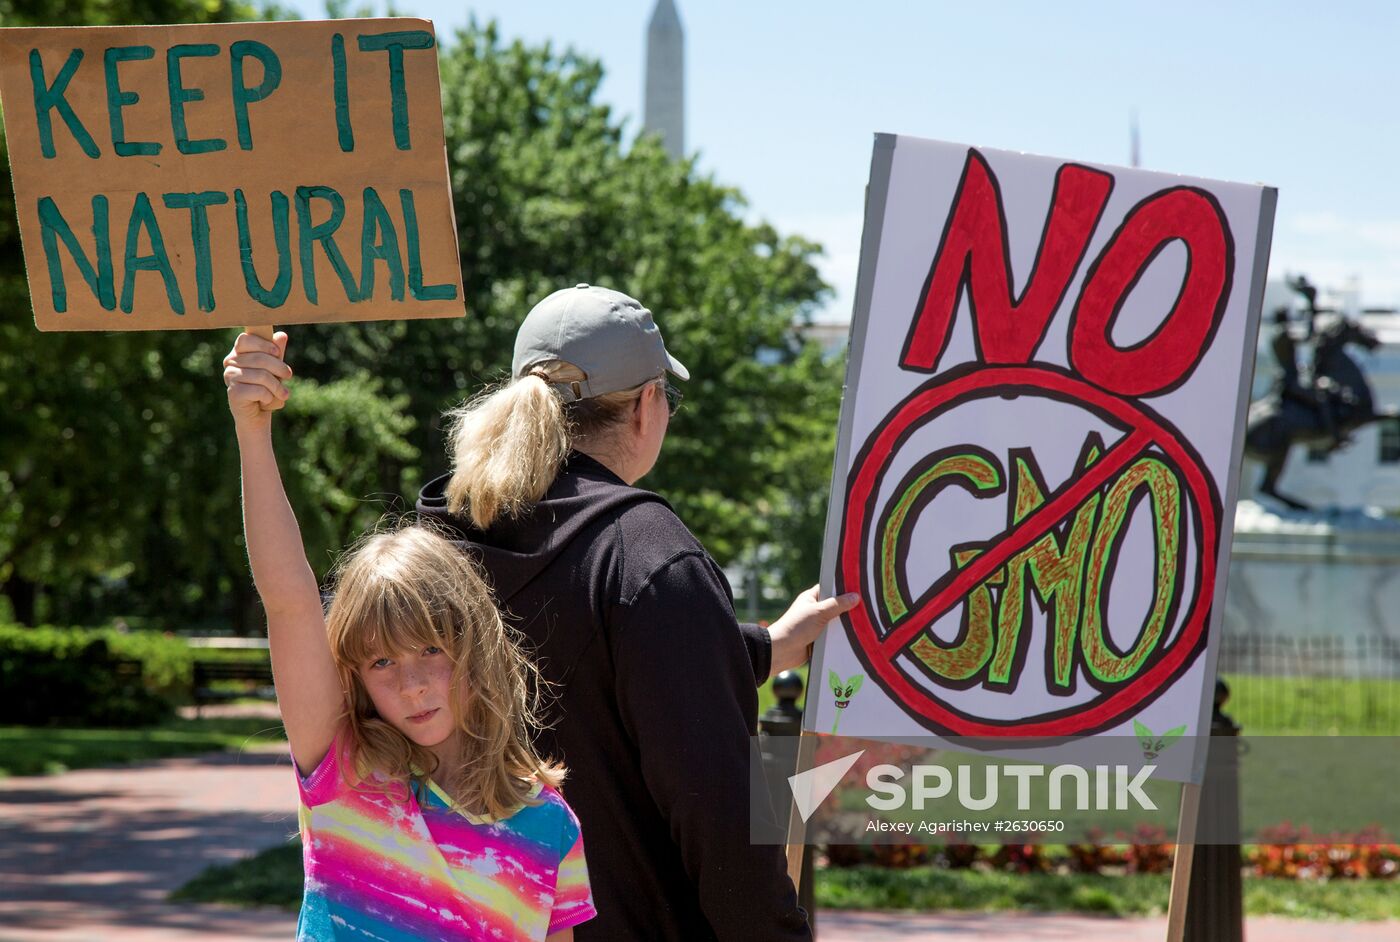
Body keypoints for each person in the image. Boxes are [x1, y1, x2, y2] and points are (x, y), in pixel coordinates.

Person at [415, 284, 860, 940]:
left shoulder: (437, 545)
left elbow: (580, 655)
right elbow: (722, 817)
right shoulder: (647, 554)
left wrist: (761, 648)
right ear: (648, 404)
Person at [222, 330, 596, 942]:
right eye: (381, 662)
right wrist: (253, 432)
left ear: (475, 647)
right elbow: (289, 602)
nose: (413, 683)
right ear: (354, 675)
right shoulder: (344, 770)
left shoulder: (551, 826)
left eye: (431, 649)